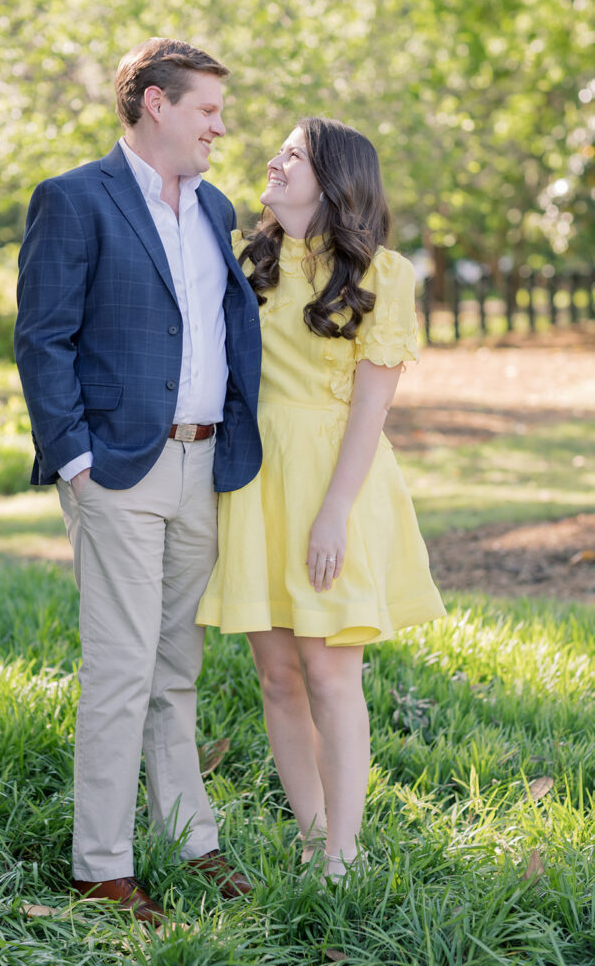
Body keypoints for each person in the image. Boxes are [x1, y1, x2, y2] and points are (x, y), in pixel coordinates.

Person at [14, 38, 262, 924]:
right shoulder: (75, 198)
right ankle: (101, 865)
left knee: (177, 667)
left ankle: (192, 839)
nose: (219, 128)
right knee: (121, 666)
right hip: (115, 468)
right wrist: (74, 458)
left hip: (204, 463)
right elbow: (43, 336)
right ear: (155, 104)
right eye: (206, 111)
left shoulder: (215, 207)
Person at [197, 116, 445, 881]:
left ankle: (345, 852)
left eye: (294, 154)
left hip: (338, 479)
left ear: (335, 177)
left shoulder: (385, 275)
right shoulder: (250, 260)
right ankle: (311, 837)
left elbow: (372, 410)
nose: (275, 159)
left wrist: (333, 512)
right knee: (276, 674)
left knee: (331, 672)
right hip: (258, 479)